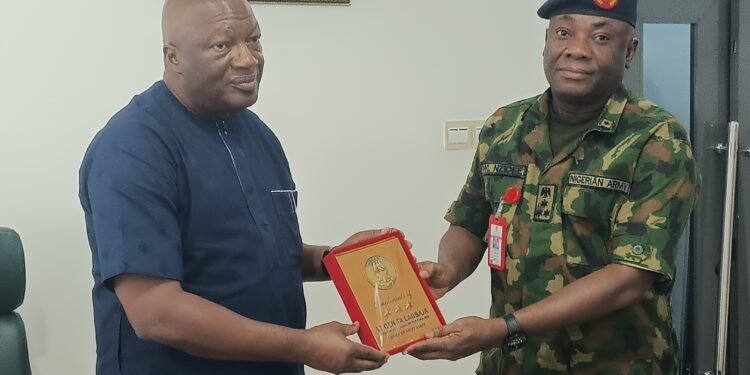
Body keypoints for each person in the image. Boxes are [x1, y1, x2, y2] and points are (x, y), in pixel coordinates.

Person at [78, 0, 391, 374]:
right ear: (172, 57)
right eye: (222, 46)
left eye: (254, 40)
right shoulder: (131, 148)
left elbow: (255, 255)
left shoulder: (258, 135)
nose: (248, 59)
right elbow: (156, 312)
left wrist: (334, 260)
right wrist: (304, 345)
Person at [406, 0, 699, 373]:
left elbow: (631, 275)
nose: (576, 49)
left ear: (629, 51)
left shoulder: (657, 139)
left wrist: (504, 328)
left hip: (612, 365)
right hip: (511, 364)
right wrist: (448, 270)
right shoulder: (505, 125)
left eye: (601, 36)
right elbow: (469, 220)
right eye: (564, 32)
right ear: (546, 42)